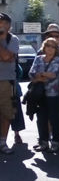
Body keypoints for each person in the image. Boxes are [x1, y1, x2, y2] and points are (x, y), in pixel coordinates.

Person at [29, 38, 59, 152]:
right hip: (39, 94)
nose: (50, 48)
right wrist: (42, 76)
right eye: (48, 45)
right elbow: (31, 73)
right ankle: (43, 142)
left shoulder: (58, 60)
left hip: (52, 94)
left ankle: (56, 142)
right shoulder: (38, 58)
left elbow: (53, 74)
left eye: (53, 46)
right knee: (41, 119)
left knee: (55, 119)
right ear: (44, 47)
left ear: (56, 49)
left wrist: (40, 75)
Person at [0, 13, 19, 154]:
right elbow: (5, 57)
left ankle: (3, 141)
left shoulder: (13, 39)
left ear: (8, 26)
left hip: (6, 81)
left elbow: (7, 56)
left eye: (3, 23)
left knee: (7, 112)